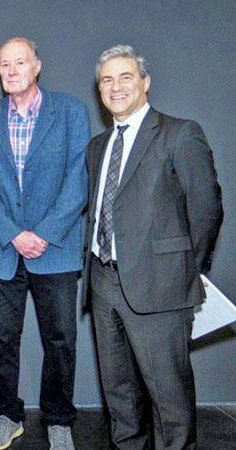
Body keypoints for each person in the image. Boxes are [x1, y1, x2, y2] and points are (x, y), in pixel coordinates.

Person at [84, 44, 222, 450]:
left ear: (145, 82)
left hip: (161, 290)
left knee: (170, 403)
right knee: (120, 400)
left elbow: (207, 210)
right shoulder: (97, 147)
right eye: (107, 80)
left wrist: (179, 271)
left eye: (126, 77)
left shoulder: (181, 133)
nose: (116, 86)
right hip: (103, 283)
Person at [0, 37, 89, 450]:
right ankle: (6, 414)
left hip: (56, 250)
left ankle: (58, 419)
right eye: (4, 65)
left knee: (60, 340)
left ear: (37, 66)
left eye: (20, 62)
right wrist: (14, 233)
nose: (11, 70)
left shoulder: (71, 112)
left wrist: (44, 233)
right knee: (1, 339)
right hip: (2, 251)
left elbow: (78, 180)